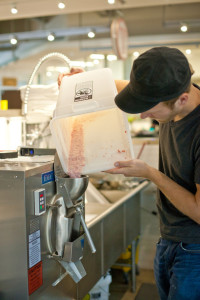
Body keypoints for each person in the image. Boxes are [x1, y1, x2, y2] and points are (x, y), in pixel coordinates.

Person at [58, 47, 200, 300]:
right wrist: (80, 81)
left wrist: (150, 173)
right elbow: (121, 87)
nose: (144, 115)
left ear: (182, 99)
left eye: (150, 110)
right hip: (169, 237)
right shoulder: (169, 94)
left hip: (194, 249)